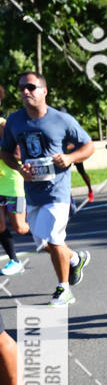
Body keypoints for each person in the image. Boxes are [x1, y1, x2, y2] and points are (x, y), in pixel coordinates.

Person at [0, 72, 93, 306]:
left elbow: (88, 145)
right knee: (45, 244)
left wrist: (70, 157)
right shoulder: (14, 120)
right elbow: (5, 152)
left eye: (31, 87)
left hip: (58, 192)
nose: (26, 92)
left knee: (53, 238)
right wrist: (20, 169)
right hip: (33, 193)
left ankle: (64, 290)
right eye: (22, 88)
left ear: (44, 90)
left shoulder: (62, 119)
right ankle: (74, 258)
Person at [0, 115, 29, 276]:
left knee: (20, 227)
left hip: (11, 186)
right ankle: (14, 261)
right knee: (0, 225)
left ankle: (55, 243)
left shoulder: (3, 125)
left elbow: (18, 153)